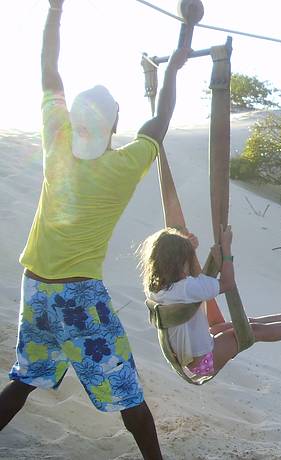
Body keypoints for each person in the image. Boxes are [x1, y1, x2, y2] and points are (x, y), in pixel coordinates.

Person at [0, 1, 190, 458]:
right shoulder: (122, 167)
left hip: (36, 291)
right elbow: (161, 119)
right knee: (131, 399)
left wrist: (54, 10)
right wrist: (184, 38)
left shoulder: (56, 147)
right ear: (114, 126)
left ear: (73, 123)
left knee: (25, 379)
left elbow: (50, 72)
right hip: (78, 298)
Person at [138, 225, 281, 377]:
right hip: (203, 362)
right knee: (249, 331)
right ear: (178, 263)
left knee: (237, 324)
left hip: (188, 357)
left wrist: (187, 248)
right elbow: (227, 283)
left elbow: (195, 279)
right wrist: (226, 250)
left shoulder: (156, 288)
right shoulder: (186, 289)